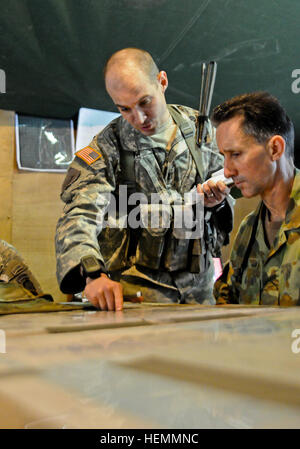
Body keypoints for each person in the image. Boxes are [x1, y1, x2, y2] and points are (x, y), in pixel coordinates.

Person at [55, 48, 233, 311]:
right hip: (136, 298)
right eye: (124, 108)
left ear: (162, 82)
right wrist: (92, 274)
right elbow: (79, 214)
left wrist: (216, 200)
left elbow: (229, 184)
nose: (138, 118)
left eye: (144, 102)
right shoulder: (108, 147)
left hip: (199, 294)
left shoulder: (201, 129)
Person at [212, 92, 299, 306]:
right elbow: (228, 303)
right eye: (224, 156)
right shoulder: (248, 230)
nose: (228, 171)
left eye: (236, 154)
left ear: (275, 148)